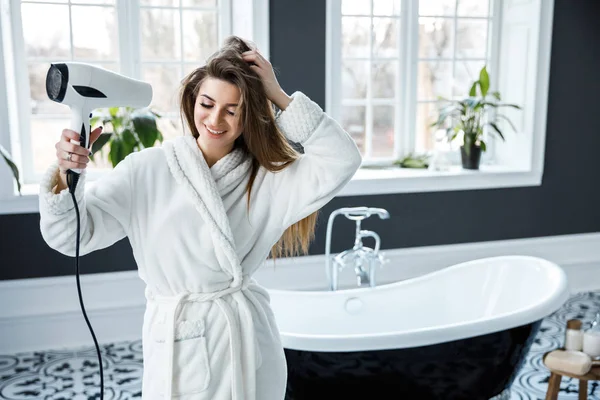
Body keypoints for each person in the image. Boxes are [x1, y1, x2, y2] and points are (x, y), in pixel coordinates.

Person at [39, 35, 362, 399]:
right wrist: (65, 176)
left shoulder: (269, 179)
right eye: (207, 104)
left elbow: (342, 160)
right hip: (177, 340)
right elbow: (69, 237)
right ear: (194, 100)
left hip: (244, 339)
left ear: (248, 116)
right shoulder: (147, 170)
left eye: (232, 110)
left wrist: (279, 95)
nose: (215, 119)